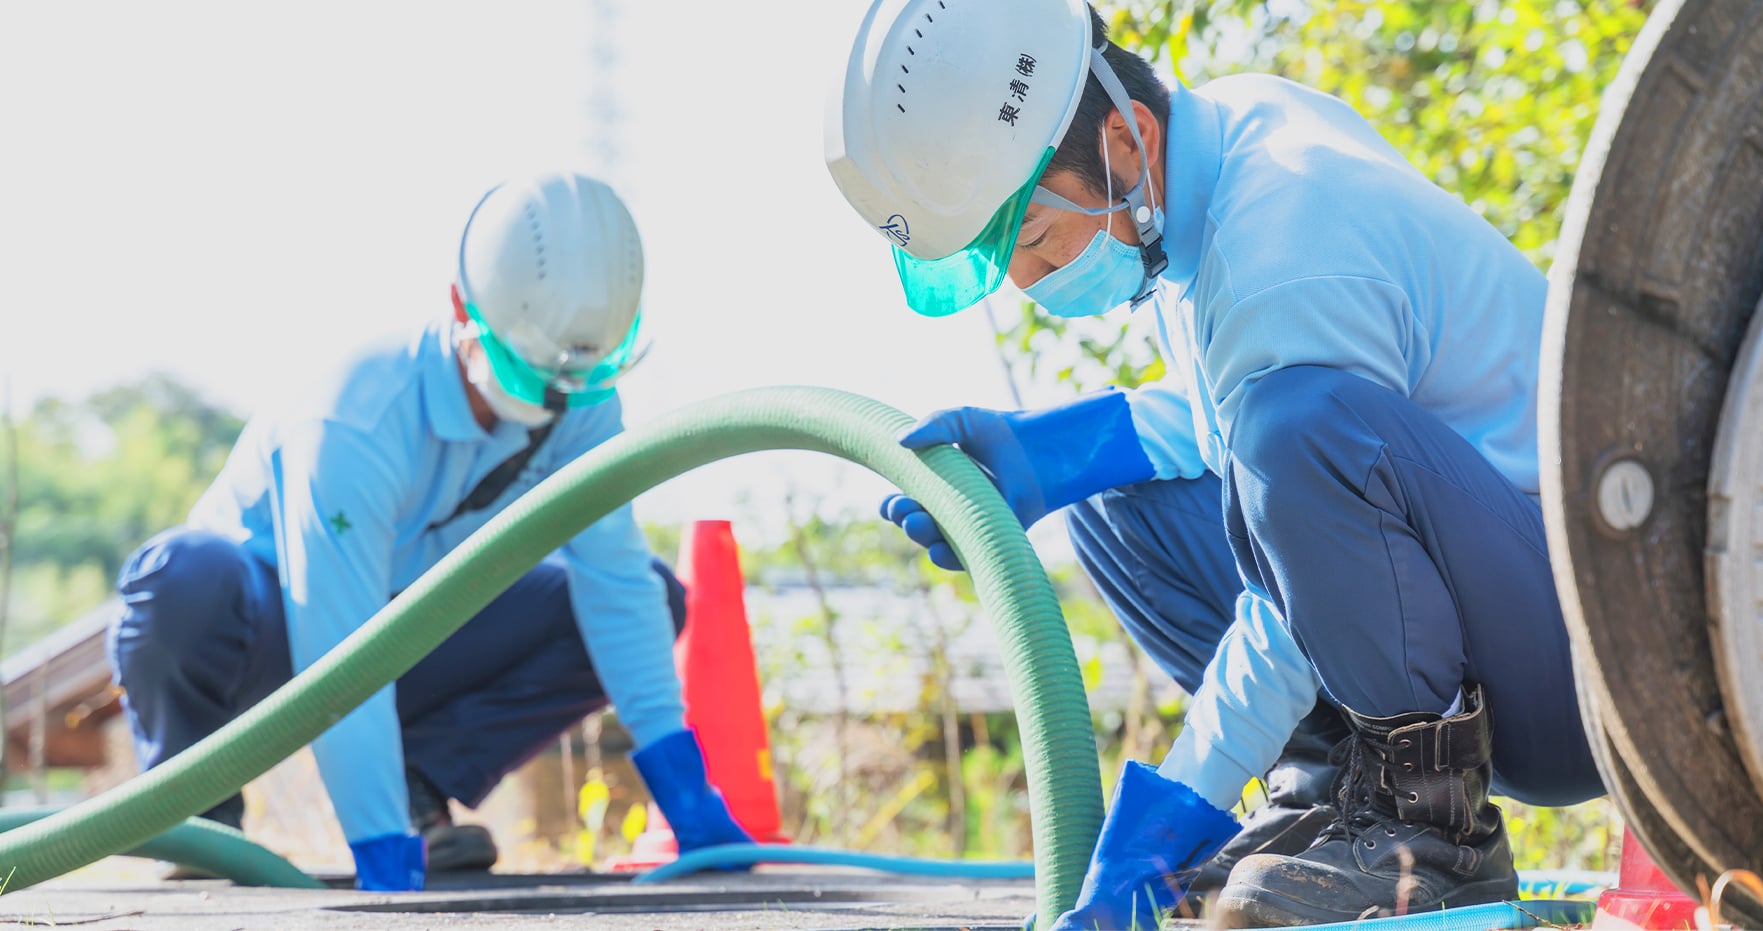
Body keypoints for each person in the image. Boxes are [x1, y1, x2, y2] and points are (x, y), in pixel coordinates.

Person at [825, 1, 1605, 927]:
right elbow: (1233, 411)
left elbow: (1298, 526)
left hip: (1581, 666)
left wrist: (1176, 805)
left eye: (1032, 237)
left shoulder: (1289, 239)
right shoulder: (1221, 144)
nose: (1029, 282)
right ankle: (1330, 796)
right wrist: (1065, 451)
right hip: (1494, 594)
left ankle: (1427, 836)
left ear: (1125, 137)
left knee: (1291, 431)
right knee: (1118, 503)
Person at [105, 169, 754, 892]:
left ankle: (423, 779)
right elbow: (340, 648)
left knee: (650, 594)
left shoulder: (579, 400)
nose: (554, 396)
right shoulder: (355, 419)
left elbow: (615, 586)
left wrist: (687, 794)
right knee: (183, 580)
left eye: (577, 376)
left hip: (410, 622)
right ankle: (201, 821)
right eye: (530, 370)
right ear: (461, 307)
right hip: (270, 631)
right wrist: (380, 852)